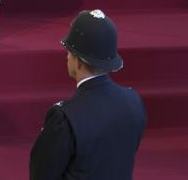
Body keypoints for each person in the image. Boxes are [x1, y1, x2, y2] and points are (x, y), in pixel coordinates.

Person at [29, 10, 146, 179]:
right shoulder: (134, 102)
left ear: (77, 60)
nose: (66, 57)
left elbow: (41, 174)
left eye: (68, 51)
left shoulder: (64, 117)